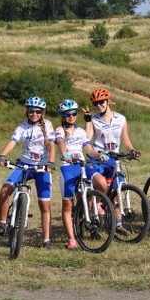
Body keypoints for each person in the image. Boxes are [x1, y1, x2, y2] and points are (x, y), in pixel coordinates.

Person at [0, 96, 56, 249]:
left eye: (37, 111)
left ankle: (46, 240)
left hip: (42, 168)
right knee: (4, 190)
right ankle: (3, 222)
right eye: (31, 111)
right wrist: (2, 155)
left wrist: (51, 162)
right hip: (24, 165)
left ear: (42, 113)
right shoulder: (22, 127)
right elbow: (12, 142)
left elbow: (51, 145)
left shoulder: (47, 125)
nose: (34, 114)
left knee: (45, 205)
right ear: (27, 111)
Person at [81, 87, 140, 237]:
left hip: (114, 158)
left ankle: (118, 224)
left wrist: (132, 150)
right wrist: (88, 121)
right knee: (100, 185)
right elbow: (86, 140)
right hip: (98, 159)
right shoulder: (95, 120)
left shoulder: (121, 119)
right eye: (96, 104)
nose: (99, 105)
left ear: (108, 101)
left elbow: (125, 139)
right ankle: (93, 214)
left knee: (117, 189)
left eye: (101, 102)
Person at [54, 99, 108, 250]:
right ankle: (72, 239)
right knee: (67, 205)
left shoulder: (81, 131)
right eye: (68, 114)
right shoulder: (59, 130)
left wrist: (100, 155)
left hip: (82, 165)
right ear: (63, 116)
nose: (71, 116)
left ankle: (96, 206)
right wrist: (65, 155)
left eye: (74, 113)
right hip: (68, 167)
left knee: (102, 183)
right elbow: (60, 144)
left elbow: (89, 150)